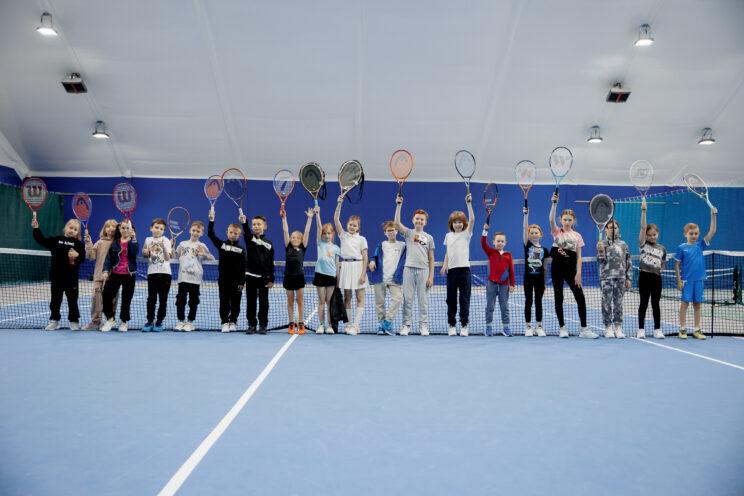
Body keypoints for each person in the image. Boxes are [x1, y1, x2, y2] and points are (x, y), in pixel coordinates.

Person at [549, 192, 598, 339]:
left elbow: (579, 256)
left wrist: (578, 273)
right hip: (557, 268)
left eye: (569, 219)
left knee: (580, 297)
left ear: (573, 221)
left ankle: (584, 329)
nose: (567, 221)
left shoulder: (577, 236)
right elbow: (551, 219)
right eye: (565, 219)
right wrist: (554, 203)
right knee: (559, 297)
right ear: (561, 220)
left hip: (571, 270)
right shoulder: (557, 232)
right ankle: (562, 328)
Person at [32, 217, 85, 330]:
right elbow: (42, 240)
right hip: (56, 277)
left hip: (71, 279)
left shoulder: (79, 244)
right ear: (66, 227)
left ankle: (74, 321)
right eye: (70, 227)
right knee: (55, 301)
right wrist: (36, 229)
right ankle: (54, 320)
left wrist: (78, 255)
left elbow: (82, 259)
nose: (72, 230)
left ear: (77, 233)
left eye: (75, 229)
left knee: (72, 301)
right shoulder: (56, 240)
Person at [675, 204, 718, 339]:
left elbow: (712, 231)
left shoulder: (700, 245)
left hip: (699, 280)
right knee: (684, 304)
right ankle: (682, 329)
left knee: (697, 305)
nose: (694, 236)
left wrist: (713, 215)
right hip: (687, 281)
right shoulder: (681, 248)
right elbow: (677, 264)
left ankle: (697, 330)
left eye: (696, 233)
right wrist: (679, 280)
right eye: (691, 233)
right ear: (685, 234)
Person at [394, 195, 435, 336]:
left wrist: (431, 276)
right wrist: (399, 205)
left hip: (424, 271)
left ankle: (424, 326)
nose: (419, 220)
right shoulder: (408, 233)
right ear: (413, 220)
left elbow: (431, 258)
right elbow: (396, 223)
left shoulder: (429, 238)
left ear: (425, 222)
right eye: (417, 218)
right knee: (407, 299)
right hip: (409, 270)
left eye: (422, 219)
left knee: (423, 300)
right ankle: (406, 325)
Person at [334, 195, 369, 335]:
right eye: (350, 224)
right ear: (347, 225)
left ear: (358, 227)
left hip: (358, 268)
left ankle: (356, 325)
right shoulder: (343, 235)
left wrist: (363, 274)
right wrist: (339, 203)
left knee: (360, 298)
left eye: (355, 225)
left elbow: (365, 257)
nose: (352, 227)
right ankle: (348, 324)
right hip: (346, 268)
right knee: (347, 298)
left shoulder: (362, 239)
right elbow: (336, 219)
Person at [441, 194, 475, 336]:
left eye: (460, 222)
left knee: (464, 299)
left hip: (465, 271)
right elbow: (448, 252)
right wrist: (444, 265)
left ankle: (464, 325)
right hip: (452, 272)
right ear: (451, 224)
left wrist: (468, 204)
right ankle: (452, 325)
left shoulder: (467, 234)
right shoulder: (448, 236)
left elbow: (472, 219)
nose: (458, 224)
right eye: (455, 222)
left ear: (463, 223)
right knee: (451, 299)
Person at [208, 210, 245, 332]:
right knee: (224, 301)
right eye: (231, 232)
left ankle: (233, 321)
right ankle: (224, 322)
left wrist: (242, 282)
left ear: (239, 235)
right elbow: (211, 235)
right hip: (223, 280)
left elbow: (243, 267)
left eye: (236, 233)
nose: (233, 234)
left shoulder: (241, 250)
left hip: (237, 281)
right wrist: (211, 220)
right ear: (227, 233)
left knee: (236, 302)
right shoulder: (222, 245)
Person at [173, 221, 214, 331]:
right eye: (194, 230)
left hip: (195, 279)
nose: (195, 233)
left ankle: (190, 322)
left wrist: (203, 254)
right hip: (183, 277)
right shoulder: (182, 244)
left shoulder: (202, 246)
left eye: (198, 231)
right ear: (190, 230)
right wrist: (172, 245)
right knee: (180, 300)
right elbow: (174, 256)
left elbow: (212, 258)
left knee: (193, 301)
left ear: (202, 233)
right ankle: (180, 321)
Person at [100, 220, 139, 332]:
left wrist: (133, 239)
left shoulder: (133, 242)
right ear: (119, 229)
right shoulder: (115, 243)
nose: (125, 230)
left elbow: (134, 253)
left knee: (126, 300)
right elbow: (108, 259)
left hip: (129, 275)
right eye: (123, 228)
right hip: (115, 274)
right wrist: (105, 271)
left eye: (128, 228)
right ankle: (110, 319)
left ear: (131, 230)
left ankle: (124, 322)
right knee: (106, 296)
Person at [368, 221, 406, 336]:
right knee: (380, 303)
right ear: (385, 233)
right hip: (380, 278)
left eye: (393, 230)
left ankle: (387, 322)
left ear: (397, 231)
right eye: (388, 230)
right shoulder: (381, 245)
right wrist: (372, 261)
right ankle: (381, 325)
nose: (391, 232)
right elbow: (374, 256)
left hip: (395, 279)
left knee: (398, 298)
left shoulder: (403, 245)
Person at [637, 198, 667, 339]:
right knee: (643, 303)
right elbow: (643, 227)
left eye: (654, 234)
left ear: (658, 234)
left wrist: (659, 270)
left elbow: (663, 264)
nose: (652, 237)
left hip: (656, 278)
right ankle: (641, 329)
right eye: (649, 235)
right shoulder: (643, 244)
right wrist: (644, 211)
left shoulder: (662, 248)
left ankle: (657, 329)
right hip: (644, 277)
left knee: (656, 304)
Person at [597, 220, 632, 338]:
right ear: (606, 230)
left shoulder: (623, 244)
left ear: (618, 229)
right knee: (606, 303)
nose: (613, 230)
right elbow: (600, 261)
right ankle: (607, 327)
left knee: (618, 304)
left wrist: (629, 278)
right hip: (606, 278)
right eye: (611, 228)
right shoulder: (602, 244)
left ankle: (618, 327)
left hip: (621, 278)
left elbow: (628, 261)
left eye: (615, 228)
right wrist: (600, 251)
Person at [241, 213, 275, 334]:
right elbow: (246, 232)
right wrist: (244, 223)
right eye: (254, 224)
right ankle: (252, 324)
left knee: (264, 302)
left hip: (264, 278)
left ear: (264, 226)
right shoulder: (250, 239)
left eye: (259, 224)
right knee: (251, 302)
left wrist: (271, 278)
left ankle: (263, 325)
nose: (256, 226)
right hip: (250, 276)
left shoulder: (269, 243)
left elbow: (271, 262)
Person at [281, 208, 313, 334]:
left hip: (299, 277)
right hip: (288, 277)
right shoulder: (287, 246)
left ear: (301, 240)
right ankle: (291, 323)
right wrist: (284, 218)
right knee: (290, 301)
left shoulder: (303, 247)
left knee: (300, 301)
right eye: (292, 237)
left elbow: (307, 231)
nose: (294, 239)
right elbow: (285, 230)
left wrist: (310, 218)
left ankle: (300, 323)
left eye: (297, 238)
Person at [84, 219, 118, 330]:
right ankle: (95, 321)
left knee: (112, 300)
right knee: (96, 300)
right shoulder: (99, 242)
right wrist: (88, 243)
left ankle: (110, 320)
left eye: (113, 226)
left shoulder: (118, 243)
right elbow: (91, 256)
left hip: (114, 278)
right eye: (108, 226)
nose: (111, 228)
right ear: (104, 229)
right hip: (98, 276)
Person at [481, 225, 514, 336]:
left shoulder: (508, 255)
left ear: (505, 242)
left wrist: (512, 284)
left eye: (502, 241)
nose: (500, 243)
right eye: (498, 241)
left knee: (504, 307)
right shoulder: (491, 252)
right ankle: (488, 327)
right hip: (491, 284)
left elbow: (511, 271)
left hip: (504, 285)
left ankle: (506, 328)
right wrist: (485, 231)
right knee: (490, 306)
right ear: (494, 242)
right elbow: (483, 243)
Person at [522, 207, 550, 337]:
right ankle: (528, 327)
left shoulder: (545, 250)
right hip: (528, 278)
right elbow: (524, 228)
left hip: (540, 279)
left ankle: (539, 326)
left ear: (540, 234)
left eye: (536, 232)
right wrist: (526, 215)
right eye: (531, 233)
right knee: (528, 301)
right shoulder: (527, 245)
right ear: (528, 235)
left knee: (538, 302)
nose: (533, 234)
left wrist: (544, 281)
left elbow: (546, 266)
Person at [141, 218, 173, 332]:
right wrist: (147, 252)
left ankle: (159, 322)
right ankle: (150, 321)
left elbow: (168, 258)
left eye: (161, 229)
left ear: (163, 231)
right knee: (151, 299)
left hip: (165, 274)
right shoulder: (148, 239)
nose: (158, 230)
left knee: (163, 299)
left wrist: (163, 247)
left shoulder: (166, 240)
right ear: (151, 228)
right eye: (156, 227)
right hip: (152, 273)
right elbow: (144, 253)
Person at [313, 206, 340, 334]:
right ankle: (321, 324)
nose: (327, 235)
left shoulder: (336, 248)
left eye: (329, 233)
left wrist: (338, 280)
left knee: (329, 302)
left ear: (332, 234)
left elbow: (337, 264)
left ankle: (329, 325)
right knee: (321, 301)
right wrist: (317, 214)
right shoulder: (320, 243)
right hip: (320, 275)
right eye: (325, 233)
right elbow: (319, 227)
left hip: (331, 276)